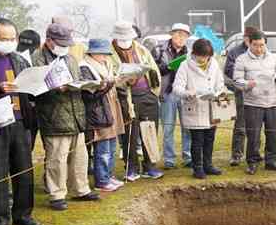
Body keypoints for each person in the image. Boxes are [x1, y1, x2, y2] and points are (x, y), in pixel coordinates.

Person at [32, 23, 100, 210]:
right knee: (57, 158)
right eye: (61, 43)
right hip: (53, 115)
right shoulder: (38, 59)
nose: (65, 47)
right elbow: (35, 88)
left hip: (76, 114)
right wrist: (55, 88)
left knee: (80, 155)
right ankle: (56, 194)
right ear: (49, 41)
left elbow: (77, 79)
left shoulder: (70, 58)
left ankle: (81, 189)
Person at [0, 17, 40, 225]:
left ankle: (23, 215)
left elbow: (30, 85)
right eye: (3, 39)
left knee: (24, 170)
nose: (8, 42)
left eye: (12, 38)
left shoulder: (19, 59)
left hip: (20, 121)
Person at [110, 20, 163, 181]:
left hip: (147, 94)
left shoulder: (141, 49)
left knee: (149, 131)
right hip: (125, 98)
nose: (126, 42)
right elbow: (110, 76)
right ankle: (131, 167)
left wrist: (153, 91)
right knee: (129, 134)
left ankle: (150, 165)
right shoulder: (109, 53)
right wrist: (125, 80)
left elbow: (153, 69)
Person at [172, 39, 226, 179]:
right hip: (194, 107)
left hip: (210, 107)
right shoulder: (185, 65)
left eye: (206, 56)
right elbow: (177, 87)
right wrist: (188, 93)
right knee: (197, 140)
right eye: (201, 56)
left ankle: (208, 165)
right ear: (195, 53)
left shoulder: (214, 63)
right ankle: (197, 168)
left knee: (210, 138)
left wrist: (218, 92)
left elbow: (220, 82)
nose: (204, 59)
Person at [233, 29, 276, 175]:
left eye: (262, 45)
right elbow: (236, 81)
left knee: (272, 133)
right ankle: (252, 162)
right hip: (253, 104)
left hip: (272, 102)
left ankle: (271, 160)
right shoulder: (242, 59)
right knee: (253, 135)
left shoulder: (272, 58)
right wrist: (248, 84)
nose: (259, 48)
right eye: (256, 45)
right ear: (250, 44)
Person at [79, 39, 126, 192]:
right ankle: (102, 180)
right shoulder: (84, 67)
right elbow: (89, 94)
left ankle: (108, 176)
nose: (105, 57)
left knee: (112, 146)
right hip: (97, 112)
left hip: (110, 108)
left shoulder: (106, 64)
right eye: (102, 53)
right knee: (103, 149)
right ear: (93, 52)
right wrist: (108, 84)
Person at [152, 22, 192, 169]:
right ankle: (169, 159)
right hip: (167, 93)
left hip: (184, 94)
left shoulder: (190, 53)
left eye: (184, 35)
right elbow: (152, 71)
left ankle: (188, 157)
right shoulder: (159, 50)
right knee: (168, 128)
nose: (181, 37)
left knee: (187, 127)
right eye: (178, 34)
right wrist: (168, 67)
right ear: (172, 34)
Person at [225, 26, 256, 166]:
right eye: (250, 40)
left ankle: (255, 153)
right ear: (245, 38)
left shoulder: (261, 50)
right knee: (241, 125)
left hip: (258, 92)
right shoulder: (234, 52)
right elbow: (229, 70)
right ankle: (237, 154)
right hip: (242, 91)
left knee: (256, 124)